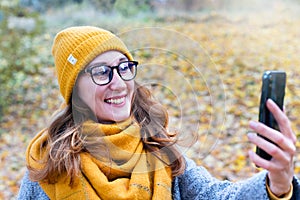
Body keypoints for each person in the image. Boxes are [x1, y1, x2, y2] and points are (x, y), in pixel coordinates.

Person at [17, 26, 299, 200]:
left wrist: (277, 183)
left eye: (124, 67)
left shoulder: (160, 151)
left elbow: (218, 196)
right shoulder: (46, 169)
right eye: (101, 72)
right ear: (75, 91)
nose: (119, 82)